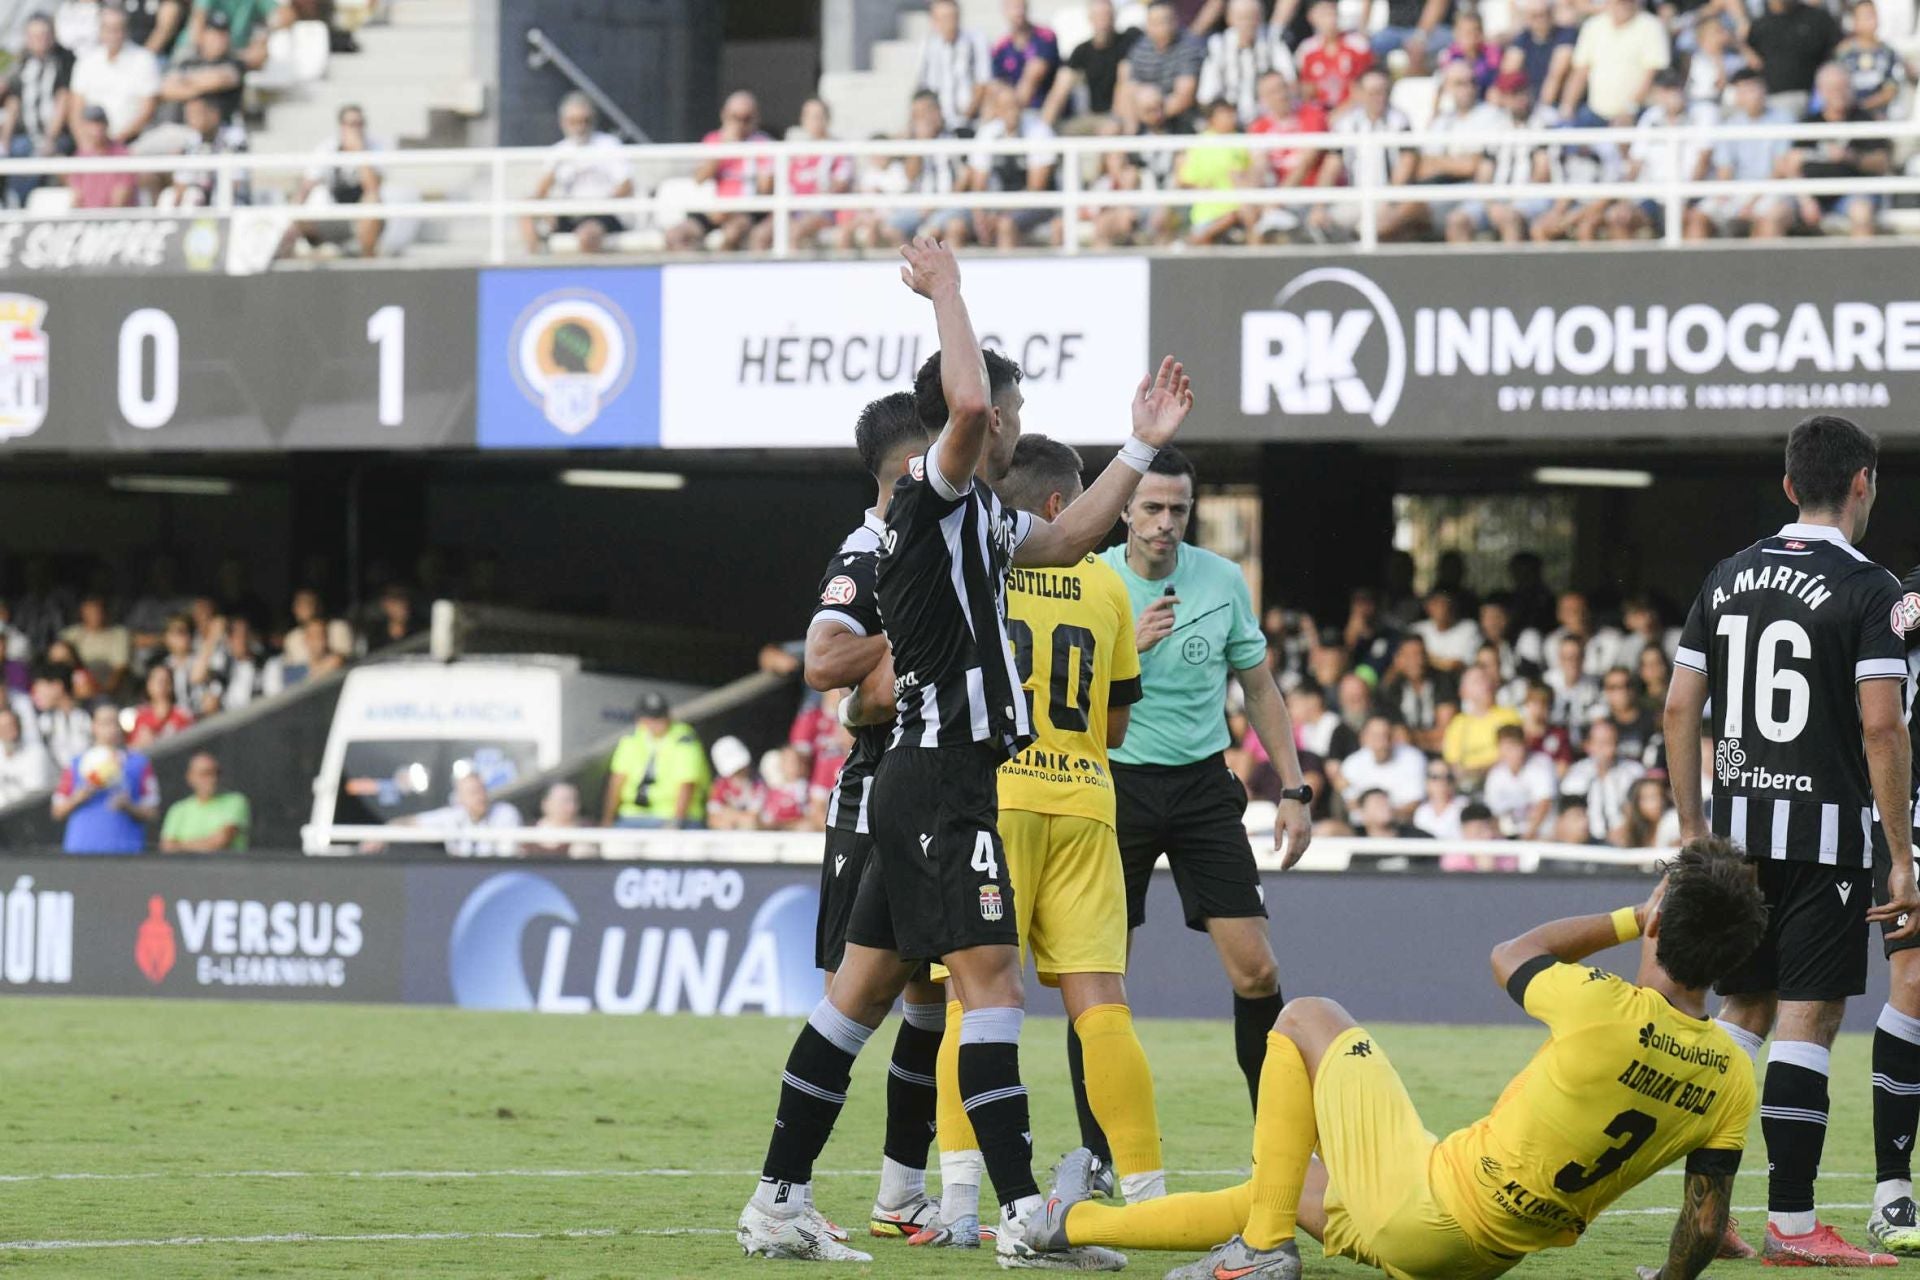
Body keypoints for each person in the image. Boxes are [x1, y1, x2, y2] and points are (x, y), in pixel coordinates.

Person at [735, 239, 1193, 1266]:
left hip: (932, 779)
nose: (1012, 426)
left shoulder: (982, 516)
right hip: (944, 781)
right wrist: (949, 292)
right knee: (991, 986)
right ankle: (1030, 1213)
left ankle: (778, 1195)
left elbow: (1070, 538)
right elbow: (976, 411)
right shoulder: (937, 495)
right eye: (1009, 415)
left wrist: (1134, 449)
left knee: (857, 994)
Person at [1025, 839, 1768, 1280]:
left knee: (1305, 1016)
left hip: (1432, 1203)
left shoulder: (1600, 1004)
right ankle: (1072, 1226)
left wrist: (1626, 916)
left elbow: (1512, 954)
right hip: (1480, 1257)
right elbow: (1705, 1225)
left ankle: (1257, 1252)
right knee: (1285, 1189)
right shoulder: (1732, 1075)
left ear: (1659, 919)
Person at [1664, 413, 1920, 1264]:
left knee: (1741, 1014)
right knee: (1807, 1020)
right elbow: (1882, 730)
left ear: (1786, 486)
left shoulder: (1729, 574)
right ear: (1863, 483)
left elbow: (1677, 707)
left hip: (1737, 838)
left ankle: (1707, 1211)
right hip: (1827, 842)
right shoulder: (1870, 588)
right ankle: (1796, 1224)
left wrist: (1698, 832)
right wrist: (1901, 856)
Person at [919, 433, 1167, 1250]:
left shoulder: (977, 564)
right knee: (1102, 1008)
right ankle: (1148, 1198)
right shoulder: (1107, 588)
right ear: (1063, 505)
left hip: (992, 795)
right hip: (1089, 803)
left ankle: (959, 1204)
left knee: (974, 998)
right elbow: (1118, 723)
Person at [1100, 444, 1313, 1113]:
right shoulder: (1090, 579)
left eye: (1178, 509)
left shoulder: (1221, 581)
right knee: (1100, 982)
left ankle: (1272, 1137)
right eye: (1153, 507)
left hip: (1200, 786)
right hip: (1113, 784)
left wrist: (1294, 790)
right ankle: (1099, 1148)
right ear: (1125, 510)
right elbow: (1059, 693)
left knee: (1258, 971)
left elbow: (1260, 689)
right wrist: (1127, 647)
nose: (1166, 521)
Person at [799, 389, 947, 1240]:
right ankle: (789, 1191)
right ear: (907, 473)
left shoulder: (935, 540)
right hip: (874, 796)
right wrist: (917, 634)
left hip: (934, 791)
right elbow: (826, 658)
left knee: (930, 995)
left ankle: (901, 1194)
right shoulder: (866, 550)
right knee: (851, 1000)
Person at [524, 92, 633, 255]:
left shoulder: (608, 145)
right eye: (574, 121)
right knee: (523, 208)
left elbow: (626, 186)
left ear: (593, 120)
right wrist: (547, 211)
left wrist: (599, 206)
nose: (580, 127)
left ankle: (589, 278)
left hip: (602, 214)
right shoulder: (559, 151)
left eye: (585, 121)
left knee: (587, 234)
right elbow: (541, 191)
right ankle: (533, 267)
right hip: (570, 213)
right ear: (564, 122)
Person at [51, 705, 158, 854]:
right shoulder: (76, 764)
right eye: (105, 723)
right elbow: (57, 811)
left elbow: (153, 812)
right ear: (94, 727)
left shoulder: (138, 763)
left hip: (125, 850)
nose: (111, 729)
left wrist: (129, 807)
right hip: (81, 850)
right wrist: (78, 798)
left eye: (115, 723)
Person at [602, 691, 709, 829]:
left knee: (664, 847)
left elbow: (687, 783)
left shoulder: (684, 738)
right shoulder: (631, 739)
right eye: (650, 718)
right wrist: (607, 820)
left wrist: (676, 822)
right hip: (633, 816)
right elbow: (617, 781)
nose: (655, 723)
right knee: (615, 846)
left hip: (672, 816)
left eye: (659, 717)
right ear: (641, 719)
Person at [291, 103, 385, 258]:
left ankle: (367, 259)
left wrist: (359, 152)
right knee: (305, 198)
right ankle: (313, 248)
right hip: (333, 213)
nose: (356, 129)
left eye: (360, 123)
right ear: (341, 126)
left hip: (363, 219)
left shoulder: (375, 147)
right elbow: (305, 187)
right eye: (351, 124)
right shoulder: (327, 148)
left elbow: (373, 187)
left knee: (372, 199)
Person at [1, 14, 74, 210]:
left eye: (43, 35)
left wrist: (50, 138)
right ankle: (13, 206)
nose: (39, 40)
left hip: (55, 134)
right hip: (24, 134)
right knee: (12, 152)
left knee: (36, 156)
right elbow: (13, 101)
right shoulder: (22, 62)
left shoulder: (64, 59)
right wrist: (4, 140)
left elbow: (63, 100)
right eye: (34, 36)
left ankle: (23, 209)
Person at [1042, 0, 1141, 128]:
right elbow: (1059, 90)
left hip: (1120, 117)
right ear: (1090, 18)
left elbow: (1124, 82)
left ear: (1115, 16)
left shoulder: (1129, 41)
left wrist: (1115, 120)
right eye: (1098, 16)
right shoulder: (1081, 51)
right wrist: (1043, 127)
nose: (1103, 20)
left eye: (1107, 15)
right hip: (1093, 117)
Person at [68, 6, 159, 144]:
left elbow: (147, 110)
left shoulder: (144, 59)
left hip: (134, 143)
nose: (113, 34)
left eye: (117, 28)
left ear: (127, 30)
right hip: (91, 145)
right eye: (107, 28)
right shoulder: (86, 62)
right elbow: (75, 111)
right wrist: (86, 145)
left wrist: (115, 144)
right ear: (100, 30)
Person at [1560, 718, 1645, 843]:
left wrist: (1626, 828)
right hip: (1585, 841)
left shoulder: (1634, 772)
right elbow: (1569, 813)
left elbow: (1641, 811)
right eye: (1601, 743)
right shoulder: (1576, 774)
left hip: (1624, 841)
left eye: (1611, 742)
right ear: (1588, 746)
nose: (1607, 749)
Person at [404, 772, 522, 857]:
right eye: (473, 792)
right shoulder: (453, 815)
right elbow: (412, 822)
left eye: (482, 790)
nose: (480, 796)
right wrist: (387, 832)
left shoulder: (505, 813)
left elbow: (506, 857)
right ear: (460, 798)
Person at [917, 0, 993, 131]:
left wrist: (964, 118)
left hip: (971, 121)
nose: (949, 23)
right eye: (943, 18)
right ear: (934, 21)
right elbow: (923, 85)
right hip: (937, 122)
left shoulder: (975, 40)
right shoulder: (928, 44)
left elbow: (983, 82)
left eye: (952, 17)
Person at [1441, 666, 1521, 783]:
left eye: (1486, 679)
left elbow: (1513, 757)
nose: (1484, 684)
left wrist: (1478, 771)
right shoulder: (1457, 724)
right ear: (1463, 692)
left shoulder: (1510, 716)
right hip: (1468, 784)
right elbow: (1454, 765)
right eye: (1477, 681)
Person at [159, 751, 249, 852]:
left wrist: (180, 846)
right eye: (205, 774)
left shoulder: (236, 801)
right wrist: (205, 843)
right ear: (190, 777)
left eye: (216, 773)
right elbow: (167, 847)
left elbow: (221, 841)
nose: (213, 779)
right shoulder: (178, 809)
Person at [1338, 713, 1426, 817]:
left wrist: (1384, 817)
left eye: (1385, 735)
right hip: (1362, 826)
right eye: (1375, 736)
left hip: (1403, 824)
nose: (1381, 741)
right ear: (1364, 738)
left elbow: (1415, 803)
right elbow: (1350, 802)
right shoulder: (1352, 762)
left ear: (1393, 737)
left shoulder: (1413, 758)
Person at [1483, 723, 1559, 838]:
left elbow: (1544, 804)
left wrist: (1526, 837)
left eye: (1515, 746)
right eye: (1506, 748)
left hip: (1542, 835)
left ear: (1524, 745)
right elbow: (1492, 813)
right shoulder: (1496, 775)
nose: (1512, 753)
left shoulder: (1540, 764)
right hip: (1508, 838)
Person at [129, 663, 193, 748]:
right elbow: (132, 748)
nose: (161, 685)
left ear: (171, 686)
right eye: (157, 681)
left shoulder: (183, 714)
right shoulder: (140, 716)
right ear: (148, 685)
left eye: (165, 681)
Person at [0, 706, 53, 807]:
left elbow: (33, 796)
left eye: (12, 725)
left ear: (20, 726)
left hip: (31, 811)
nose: (9, 731)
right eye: (3, 728)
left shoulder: (36, 753)